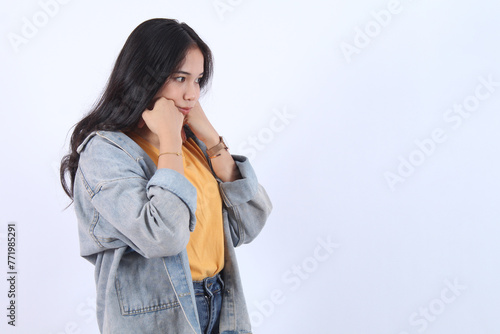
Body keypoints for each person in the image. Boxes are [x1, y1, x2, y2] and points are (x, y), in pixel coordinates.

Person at [60, 18, 272, 334]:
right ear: (144, 78)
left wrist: (211, 137)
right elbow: (164, 236)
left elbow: (250, 222)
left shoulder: (194, 142)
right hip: (159, 317)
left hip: (220, 300)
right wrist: (170, 139)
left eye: (198, 80)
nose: (192, 94)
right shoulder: (105, 152)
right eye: (179, 78)